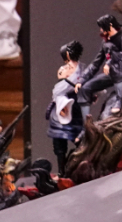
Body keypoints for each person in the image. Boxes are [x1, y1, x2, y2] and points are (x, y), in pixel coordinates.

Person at [45, 41, 85, 177]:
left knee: (81, 139)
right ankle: (62, 171)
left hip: (76, 106)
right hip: (62, 106)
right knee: (59, 142)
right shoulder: (64, 69)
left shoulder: (83, 69)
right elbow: (59, 88)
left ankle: (80, 166)